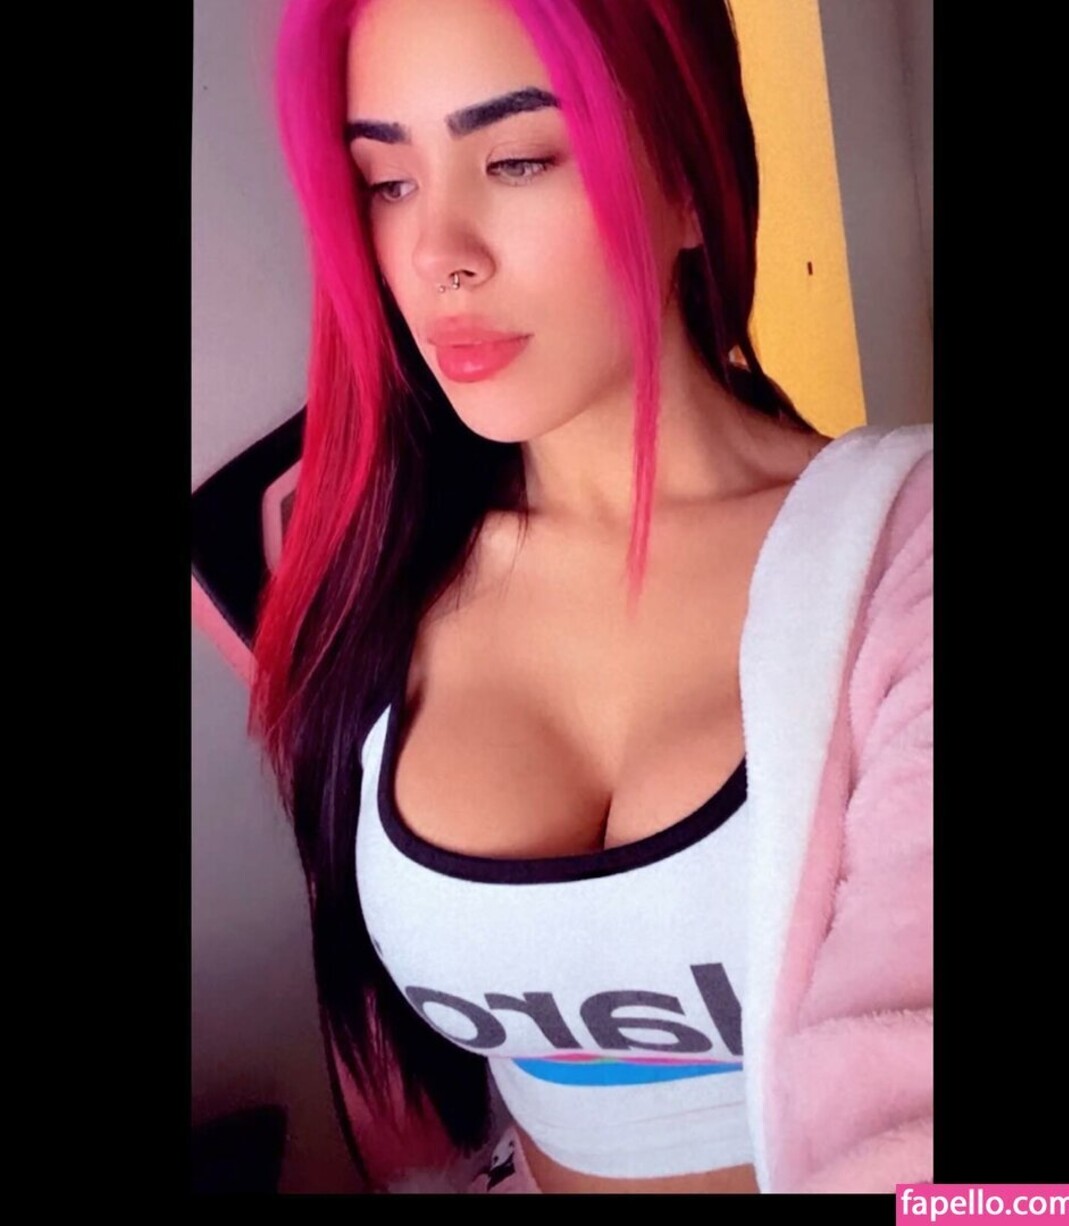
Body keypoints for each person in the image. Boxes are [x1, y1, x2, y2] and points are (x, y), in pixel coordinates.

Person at [241, 0, 932, 1194]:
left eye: (517, 159)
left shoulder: (901, 563)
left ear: (690, 185)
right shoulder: (369, 576)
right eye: (388, 181)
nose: (438, 251)